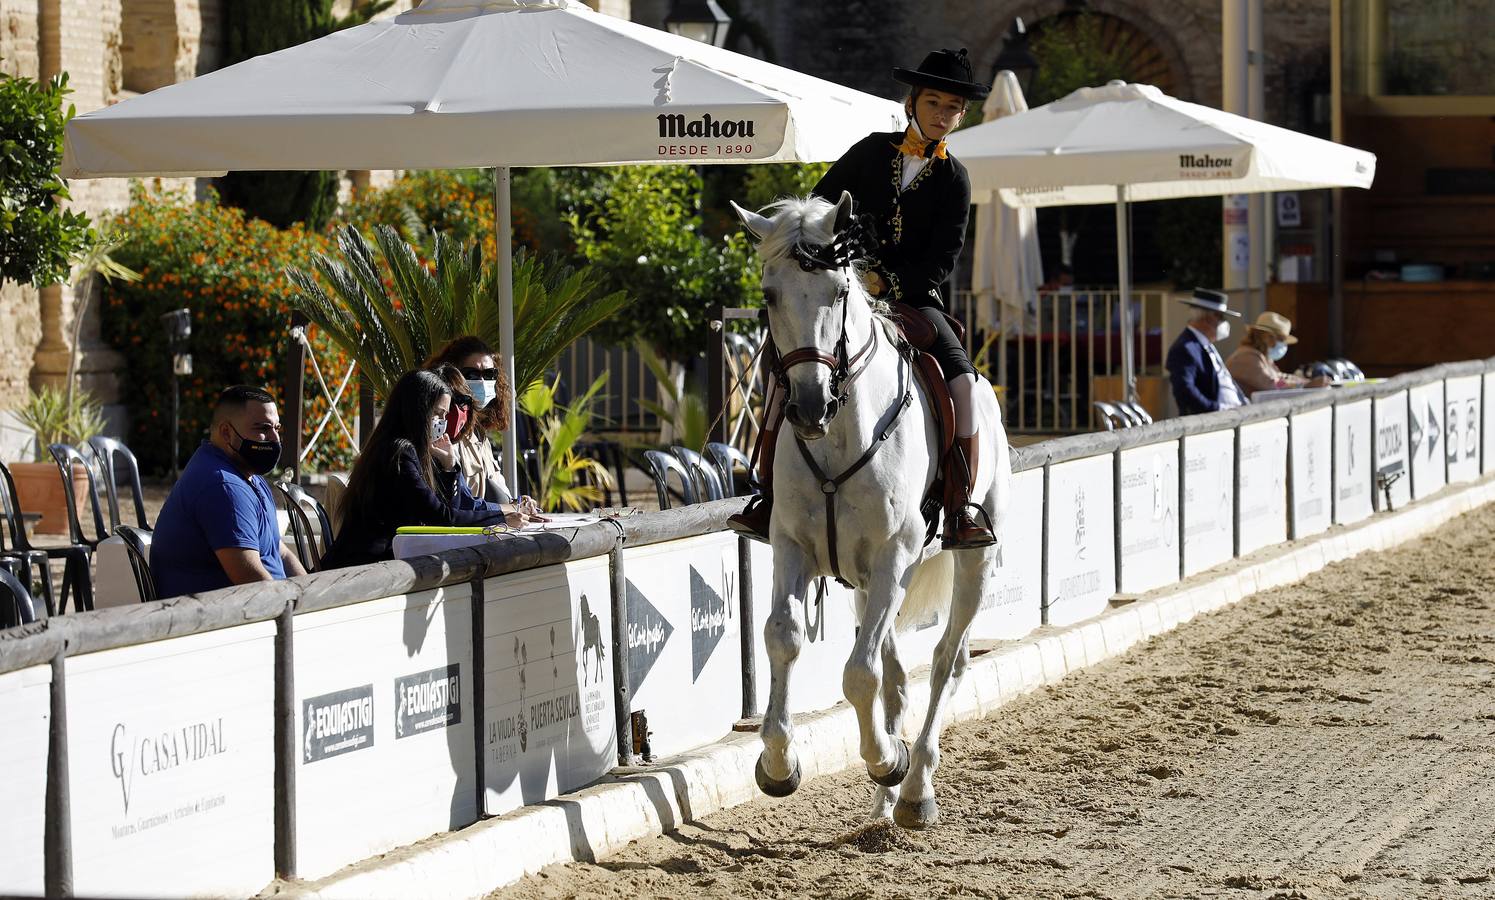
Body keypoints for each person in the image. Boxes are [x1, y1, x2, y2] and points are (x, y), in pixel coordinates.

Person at [728, 47, 998, 549]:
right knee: (780, 369)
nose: (941, 115)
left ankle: (961, 507)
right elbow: (815, 211)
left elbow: (943, 259)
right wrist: (842, 256)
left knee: (962, 385)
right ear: (912, 101)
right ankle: (766, 495)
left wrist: (886, 284)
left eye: (952, 108)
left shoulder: (956, 178)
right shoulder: (871, 151)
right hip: (840, 294)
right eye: (934, 102)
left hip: (915, 301)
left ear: (962, 115)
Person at [319, 369, 534, 570]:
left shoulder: (401, 448)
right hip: (360, 567)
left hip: (375, 563)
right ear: (418, 411)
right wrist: (500, 521)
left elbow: (448, 507)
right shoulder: (399, 453)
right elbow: (441, 517)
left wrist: (450, 467)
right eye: (438, 414)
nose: (442, 422)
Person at [151, 385, 306, 598]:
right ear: (226, 432)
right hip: (217, 622)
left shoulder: (249, 476)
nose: (274, 438)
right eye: (262, 428)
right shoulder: (222, 486)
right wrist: (294, 614)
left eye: (276, 428)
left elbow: (279, 551)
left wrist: (310, 595)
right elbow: (252, 581)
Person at [424, 336, 512, 502]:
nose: (482, 381)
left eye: (489, 374)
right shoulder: (444, 429)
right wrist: (506, 511)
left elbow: (497, 489)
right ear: (454, 375)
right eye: (472, 374)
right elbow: (459, 504)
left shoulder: (479, 433)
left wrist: (519, 503)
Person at [1166, 288, 1250, 416]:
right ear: (1207, 318)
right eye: (1221, 317)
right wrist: (1217, 409)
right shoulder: (1185, 348)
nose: (1224, 322)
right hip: (1211, 424)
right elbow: (1185, 391)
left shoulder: (1204, 345)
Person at [1226, 311, 1330, 399]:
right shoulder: (1247, 357)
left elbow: (1280, 379)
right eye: (1281, 339)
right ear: (1266, 337)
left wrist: (1306, 382)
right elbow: (1273, 385)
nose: (1283, 345)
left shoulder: (1262, 358)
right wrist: (1306, 385)